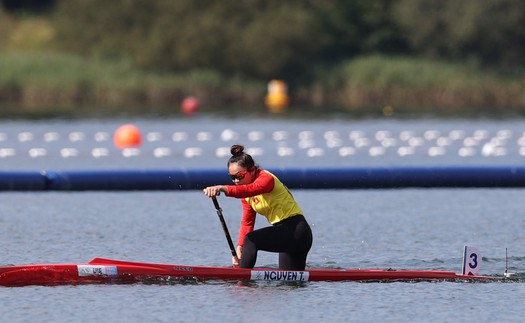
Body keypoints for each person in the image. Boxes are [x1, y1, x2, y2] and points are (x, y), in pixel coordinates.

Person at [203, 144, 313, 270]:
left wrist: (222, 188)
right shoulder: (246, 195)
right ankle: (243, 277)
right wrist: (240, 247)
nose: (236, 181)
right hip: (285, 235)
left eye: (240, 175)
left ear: (252, 170)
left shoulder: (265, 178)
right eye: (232, 177)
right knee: (289, 283)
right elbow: (247, 222)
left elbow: (252, 189)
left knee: (251, 240)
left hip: (297, 231)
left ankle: (242, 281)